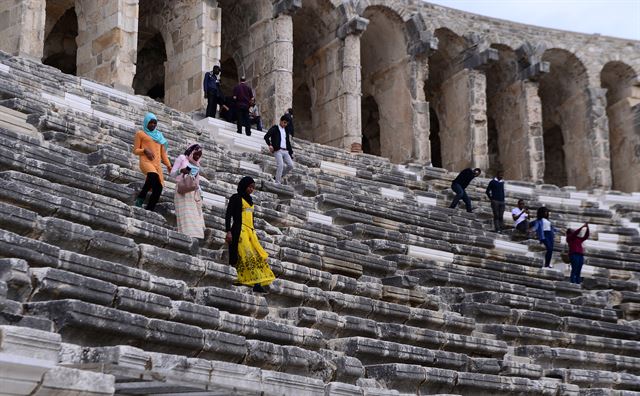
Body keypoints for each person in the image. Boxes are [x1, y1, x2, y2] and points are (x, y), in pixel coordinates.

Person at [225, 176, 275, 292]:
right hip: (240, 230)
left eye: (253, 188)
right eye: (249, 187)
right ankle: (244, 279)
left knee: (257, 256)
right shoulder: (236, 198)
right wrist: (228, 231)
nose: (251, 189)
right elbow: (228, 215)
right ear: (244, 186)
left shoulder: (251, 201)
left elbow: (251, 219)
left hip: (250, 232)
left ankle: (256, 283)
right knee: (247, 255)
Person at [133, 113, 171, 211]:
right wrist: (145, 150)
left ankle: (149, 210)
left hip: (157, 166)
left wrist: (169, 165)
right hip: (146, 162)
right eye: (151, 122)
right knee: (153, 175)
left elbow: (163, 154)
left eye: (155, 123)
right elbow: (135, 150)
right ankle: (141, 198)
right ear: (146, 122)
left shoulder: (159, 136)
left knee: (159, 188)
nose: (153, 125)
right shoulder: (140, 134)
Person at [170, 144, 205, 239]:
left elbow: (197, 182)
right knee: (184, 215)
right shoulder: (182, 158)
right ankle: (184, 236)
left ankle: (194, 236)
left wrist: (200, 194)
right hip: (181, 190)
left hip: (192, 192)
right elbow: (172, 174)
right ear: (191, 151)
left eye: (199, 155)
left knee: (192, 215)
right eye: (196, 154)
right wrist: (181, 171)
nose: (197, 157)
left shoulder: (197, 165)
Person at [264, 115, 294, 184]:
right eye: (284, 122)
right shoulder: (275, 128)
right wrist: (270, 145)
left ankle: (277, 176)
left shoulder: (286, 130)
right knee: (281, 165)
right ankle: (277, 182)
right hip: (278, 150)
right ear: (281, 120)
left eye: (286, 123)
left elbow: (287, 142)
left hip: (286, 151)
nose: (285, 124)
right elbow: (266, 137)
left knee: (291, 165)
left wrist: (291, 152)